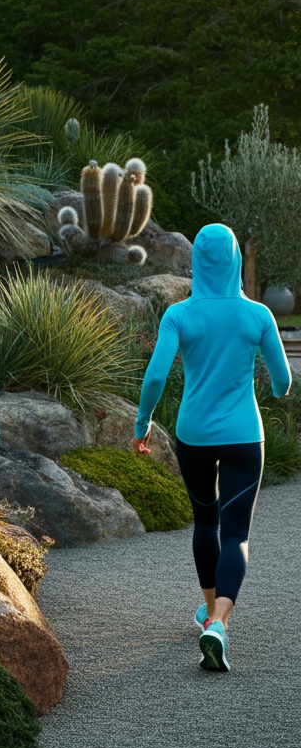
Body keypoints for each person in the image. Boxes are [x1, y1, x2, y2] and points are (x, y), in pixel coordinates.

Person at [132, 223, 292, 672]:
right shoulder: (259, 315)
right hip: (245, 437)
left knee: (206, 520)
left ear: (196, 262)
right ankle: (218, 621)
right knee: (236, 532)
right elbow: (282, 383)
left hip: (194, 437)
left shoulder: (179, 316)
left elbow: (156, 377)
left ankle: (207, 612)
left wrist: (142, 423)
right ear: (236, 261)